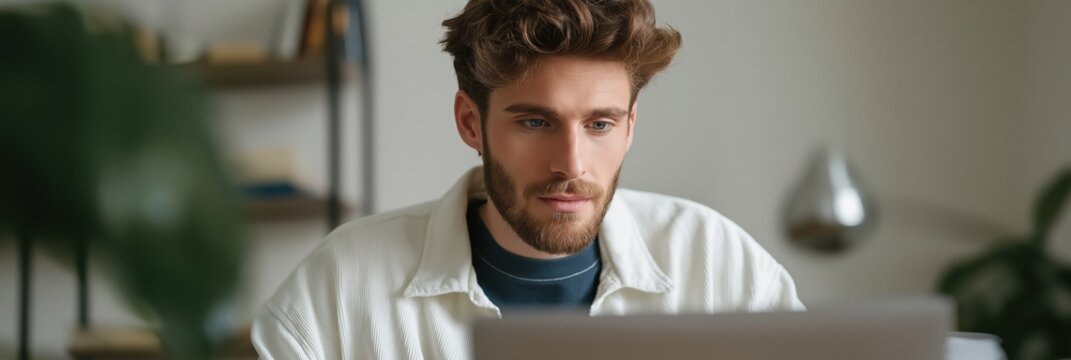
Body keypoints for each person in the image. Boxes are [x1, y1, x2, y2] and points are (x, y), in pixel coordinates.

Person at [252, 0, 804, 358]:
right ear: (472, 122)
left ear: (630, 127)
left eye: (600, 124)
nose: (572, 163)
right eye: (535, 122)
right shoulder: (337, 288)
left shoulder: (720, 266)